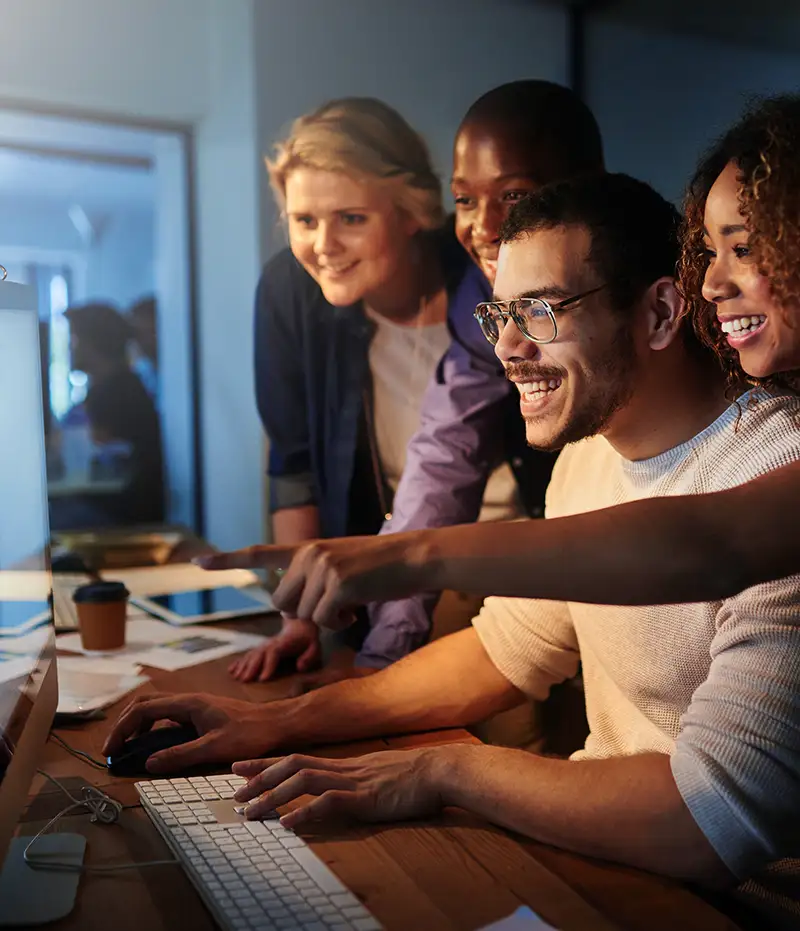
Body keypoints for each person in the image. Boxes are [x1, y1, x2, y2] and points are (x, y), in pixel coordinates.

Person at [106, 174, 800, 926]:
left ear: (661, 312)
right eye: (500, 313)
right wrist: (276, 721)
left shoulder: (774, 478)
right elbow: (502, 650)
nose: (507, 348)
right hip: (611, 868)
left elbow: (706, 822)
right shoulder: (588, 456)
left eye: (539, 311)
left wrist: (449, 769)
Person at [202, 92, 800, 627]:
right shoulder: (588, 459)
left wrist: (408, 555)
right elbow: (514, 633)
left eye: (747, 247)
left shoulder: (764, 442)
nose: (710, 283)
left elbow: (715, 543)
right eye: (708, 251)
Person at [237, 83, 605, 684]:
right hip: (417, 559)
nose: (324, 246)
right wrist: (306, 619)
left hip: (535, 550)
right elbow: (429, 458)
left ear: (412, 211)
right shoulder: (292, 293)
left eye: (351, 218)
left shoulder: (486, 280)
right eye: (304, 220)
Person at [62, 302, 164, 524]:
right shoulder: (113, 387)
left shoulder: (118, 394)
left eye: (75, 340)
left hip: (119, 513)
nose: (70, 348)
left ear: (95, 343)